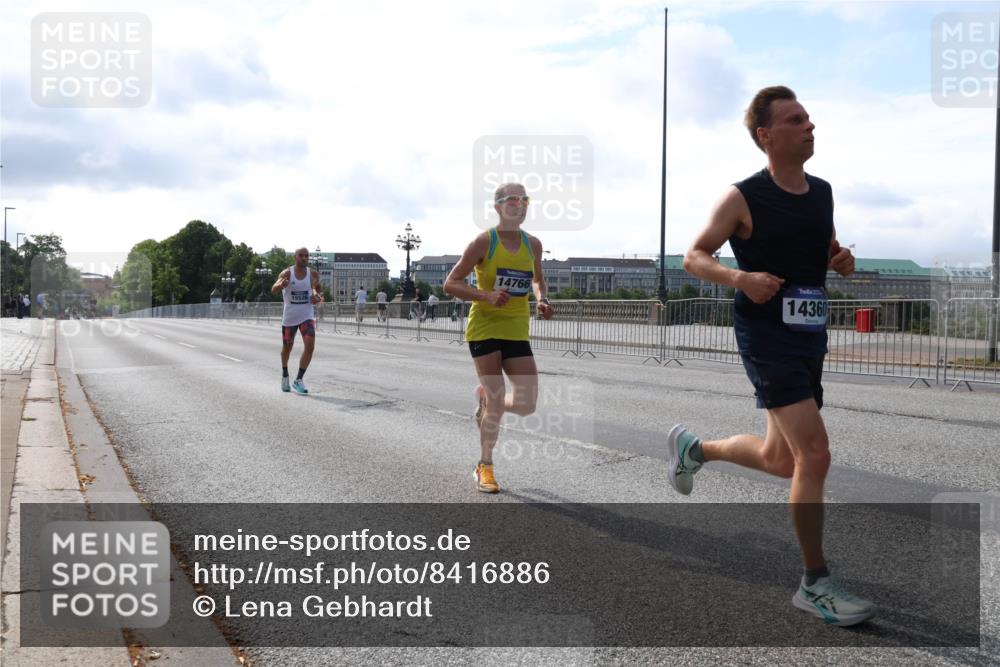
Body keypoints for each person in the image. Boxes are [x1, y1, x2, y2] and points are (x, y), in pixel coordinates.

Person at [674, 86, 873, 626]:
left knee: (781, 459)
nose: (810, 126)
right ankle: (815, 584)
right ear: (766, 135)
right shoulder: (741, 197)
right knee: (815, 454)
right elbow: (694, 257)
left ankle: (698, 450)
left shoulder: (822, 192)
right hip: (765, 336)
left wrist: (841, 259)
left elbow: (824, 249)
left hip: (809, 335)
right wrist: (740, 277)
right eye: (796, 120)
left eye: (809, 118)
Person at [444, 182, 554, 493]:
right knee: (496, 397)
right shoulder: (484, 242)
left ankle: (485, 402)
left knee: (527, 403)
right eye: (512, 200)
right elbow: (450, 283)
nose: (520, 204)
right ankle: (485, 466)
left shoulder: (532, 244)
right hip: (485, 328)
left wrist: (542, 299)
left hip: (516, 329)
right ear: (498, 207)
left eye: (525, 199)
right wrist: (486, 295)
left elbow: (538, 280)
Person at [272, 248, 323, 394]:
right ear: (295, 257)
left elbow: (317, 291)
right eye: (301, 255)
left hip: (306, 315)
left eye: (307, 255)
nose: (304, 258)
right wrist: (281, 285)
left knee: (310, 345)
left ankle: (299, 379)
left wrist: (317, 298)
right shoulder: (287, 273)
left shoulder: (313, 274)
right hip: (290, 317)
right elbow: (273, 289)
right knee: (287, 348)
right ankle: (285, 375)